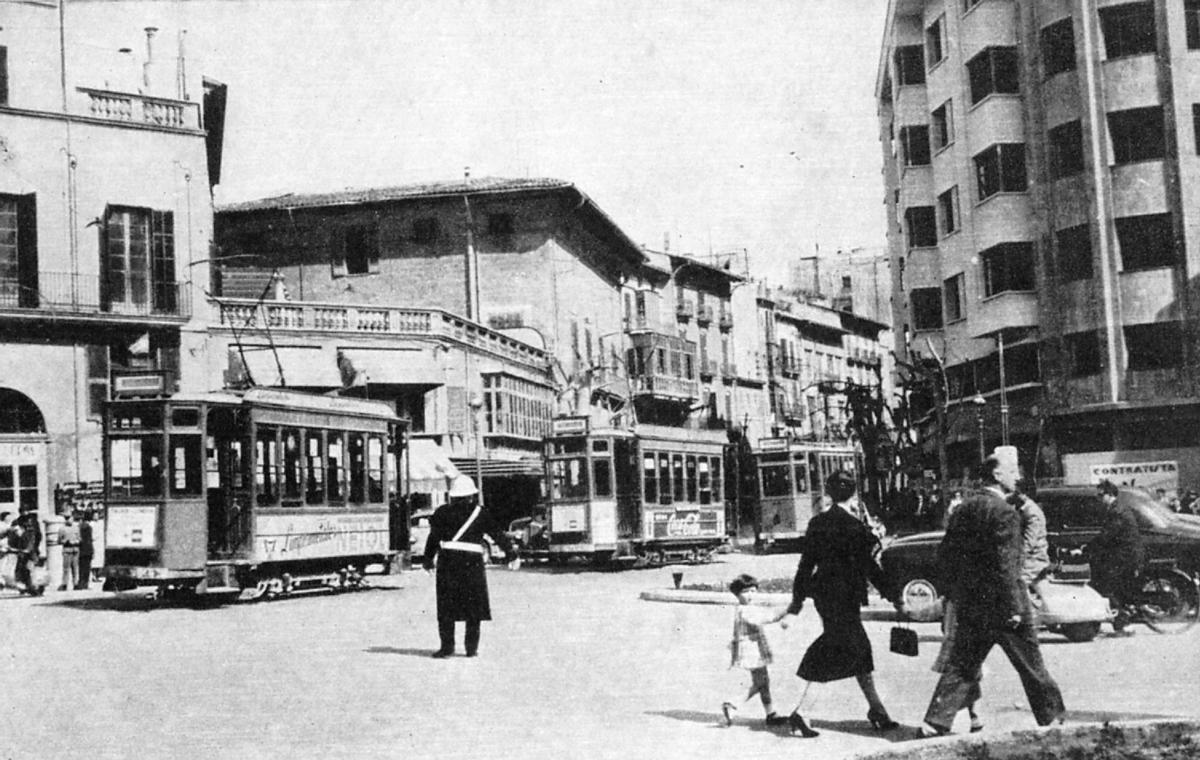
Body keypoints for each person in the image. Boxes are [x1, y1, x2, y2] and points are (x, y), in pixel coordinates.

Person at [916, 448, 1065, 737]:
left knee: (962, 663)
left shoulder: (963, 509)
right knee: (1031, 664)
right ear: (997, 475)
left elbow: (946, 555)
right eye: (1013, 471)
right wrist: (1012, 608)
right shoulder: (1005, 512)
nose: (1018, 476)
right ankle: (1053, 718)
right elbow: (1006, 566)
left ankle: (934, 723)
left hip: (974, 604)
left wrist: (956, 594)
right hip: (1006, 604)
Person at [780, 470, 903, 738]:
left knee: (859, 650)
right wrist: (894, 595)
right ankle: (803, 713)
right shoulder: (856, 528)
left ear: (830, 493)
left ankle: (878, 711)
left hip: (824, 597)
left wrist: (796, 604)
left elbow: (805, 567)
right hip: (846, 598)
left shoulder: (817, 523)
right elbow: (870, 568)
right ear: (854, 494)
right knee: (840, 648)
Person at [422, 475, 518, 658]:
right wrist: (511, 554)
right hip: (471, 562)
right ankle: (471, 649)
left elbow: (433, 538)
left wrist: (427, 560)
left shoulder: (442, 512)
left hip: (448, 561)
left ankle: (447, 648)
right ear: (471, 495)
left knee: (446, 606)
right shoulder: (480, 513)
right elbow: (497, 535)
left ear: (453, 496)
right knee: (474, 607)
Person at [722, 573, 789, 728]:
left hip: (752, 649)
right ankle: (733, 703)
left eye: (753, 591)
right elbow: (765, 617)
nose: (750, 595)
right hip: (752, 651)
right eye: (745, 592)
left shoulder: (745, 608)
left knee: (763, 682)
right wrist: (785, 611)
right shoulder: (745, 610)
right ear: (737, 594)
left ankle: (771, 714)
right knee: (760, 683)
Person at [1087, 480, 1145, 633]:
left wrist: (1086, 548)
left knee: (1107, 586)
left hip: (1126, 557)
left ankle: (1123, 625)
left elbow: (1107, 535)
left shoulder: (1117, 511)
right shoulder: (1115, 509)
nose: (1099, 499)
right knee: (1114, 587)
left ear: (1110, 494)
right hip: (1124, 555)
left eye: (1101, 495)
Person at [11, 506, 43, 596]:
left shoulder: (32, 522)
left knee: (30, 568)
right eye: (23, 511)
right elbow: (13, 536)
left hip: (30, 549)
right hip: (23, 549)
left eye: (26, 511)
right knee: (23, 568)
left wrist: (36, 546)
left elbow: (38, 535)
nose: (25, 513)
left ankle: (33, 586)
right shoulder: (17, 522)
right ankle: (27, 586)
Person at [58, 512, 81, 592]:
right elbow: (59, 541)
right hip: (67, 550)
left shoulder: (76, 528)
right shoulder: (62, 529)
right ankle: (64, 584)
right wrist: (66, 541)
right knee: (66, 569)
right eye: (67, 518)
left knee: (75, 568)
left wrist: (77, 541)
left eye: (70, 518)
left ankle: (76, 583)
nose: (69, 520)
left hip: (75, 550)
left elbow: (80, 538)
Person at [77, 510, 95, 590]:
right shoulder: (89, 527)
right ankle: (85, 584)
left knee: (81, 567)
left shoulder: (79, 527)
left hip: (81, 549)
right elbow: (90, 540)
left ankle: (81, 583)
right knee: (87, 568)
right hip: (88, 549)